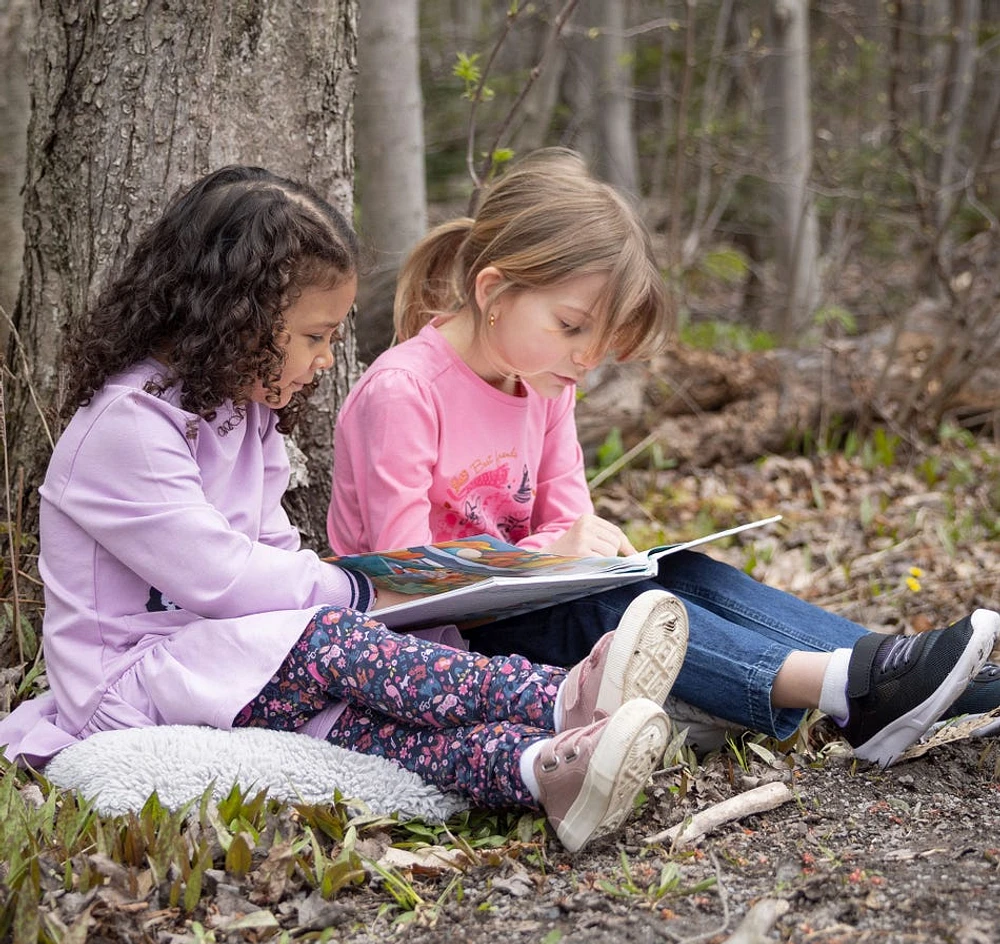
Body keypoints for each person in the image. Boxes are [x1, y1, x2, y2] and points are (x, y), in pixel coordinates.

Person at [0, 166, 699, 856]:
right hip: (134, 683)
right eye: (314, 336)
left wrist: (343, 602)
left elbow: (272, 551)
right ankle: (560, 698)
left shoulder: (243, 418)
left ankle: (545, 768)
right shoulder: (129, 427)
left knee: (383, 733)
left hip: (239, 668)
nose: (328, 358)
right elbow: (225, 579)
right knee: (330, 638)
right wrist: (359, 587)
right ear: (237, 316)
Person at [328, 147, 1000, 769]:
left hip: (524, 610)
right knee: (601, 611)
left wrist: (578, 551)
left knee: (688, 574)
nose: (588, 358)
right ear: (493, 291)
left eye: (601, 337)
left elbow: (570, 523)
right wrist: (555, 554)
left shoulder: (541, 384)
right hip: (439, 652)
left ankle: (892, 672)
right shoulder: (406, 392)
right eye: (571, 327)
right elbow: (405, 574)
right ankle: (843, 688)